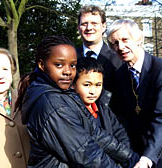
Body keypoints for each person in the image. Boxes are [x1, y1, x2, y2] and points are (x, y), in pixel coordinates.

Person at [15, 35, 137, 168]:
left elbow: (96, 133)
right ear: (41, 65)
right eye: (59, 65)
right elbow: (85, 153)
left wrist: (132, 159)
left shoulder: (65, 94)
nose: (67, 71)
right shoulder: (52, 104)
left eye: (72, 65)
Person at [107, 19, 162, 168]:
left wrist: (147, 158)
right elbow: (120, 116)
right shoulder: (121, 74)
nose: (120, 47)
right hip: (136, 155)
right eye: (115, 43)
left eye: (124, 39)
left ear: (139, 39)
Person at [73, 57, 140, 168]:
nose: (93, 91)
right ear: (74, 85)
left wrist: (126, 159)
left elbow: (120, 132)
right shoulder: (74, 112)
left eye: (98, 85)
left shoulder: (103, 108)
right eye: (87, 85)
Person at [77, 5, 122, 93]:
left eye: (94, 23)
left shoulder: (118, 59)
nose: (89, 28)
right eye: (84, 24)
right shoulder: (71, 58)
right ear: (78, 27)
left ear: (104, 26)